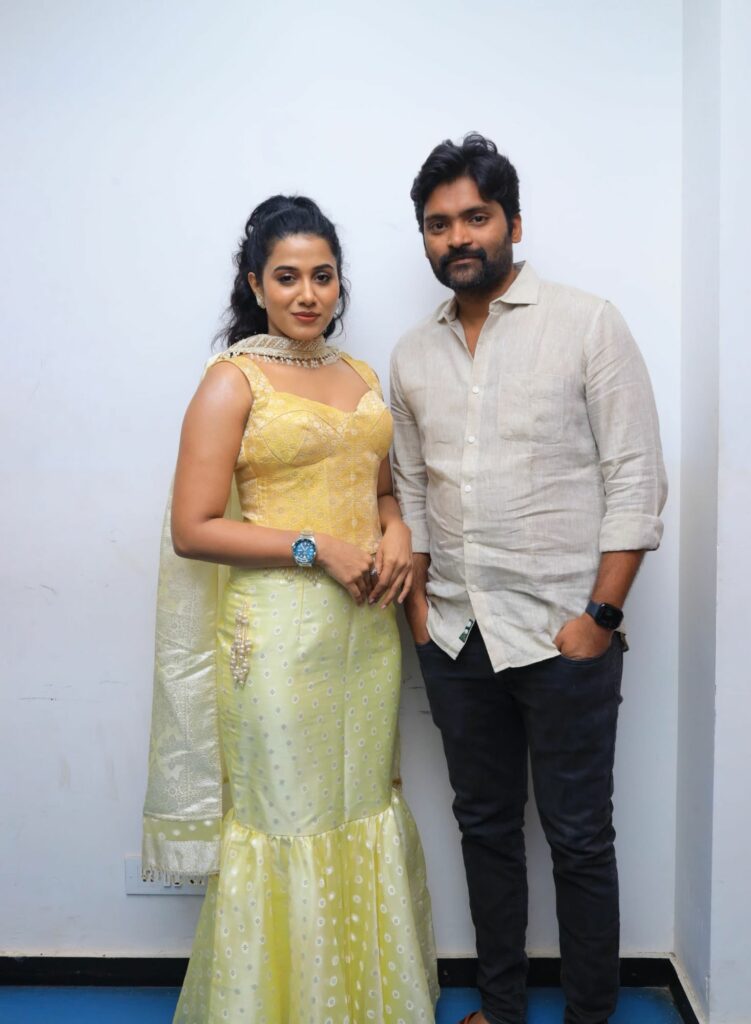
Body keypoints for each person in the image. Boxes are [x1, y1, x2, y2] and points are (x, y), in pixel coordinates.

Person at [390, 134, 667, 1024]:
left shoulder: (587, 323)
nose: (456, 237)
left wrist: (598, 617)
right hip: (455, 635)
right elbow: (409, 490)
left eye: (474, 217)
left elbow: (635, 478)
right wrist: (420, 615)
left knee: (579, 840)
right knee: (484, 831)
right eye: (438, 224)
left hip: (562, 633)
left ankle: (589, 1015)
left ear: (512, 221)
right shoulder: (411, 355)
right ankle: (501, 1009)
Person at [142, 195, 438, 1023]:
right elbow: (193, 528)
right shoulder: (232, 381)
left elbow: (381, 490)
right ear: (255, 285)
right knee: (286, 818)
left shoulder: (362, 377)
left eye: (322, 276)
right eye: (286, 277)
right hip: (274, 636)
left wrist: (396, 528)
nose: (307, 294)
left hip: (365, 636)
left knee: (359, 806)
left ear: (339, 283)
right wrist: (317, 547)